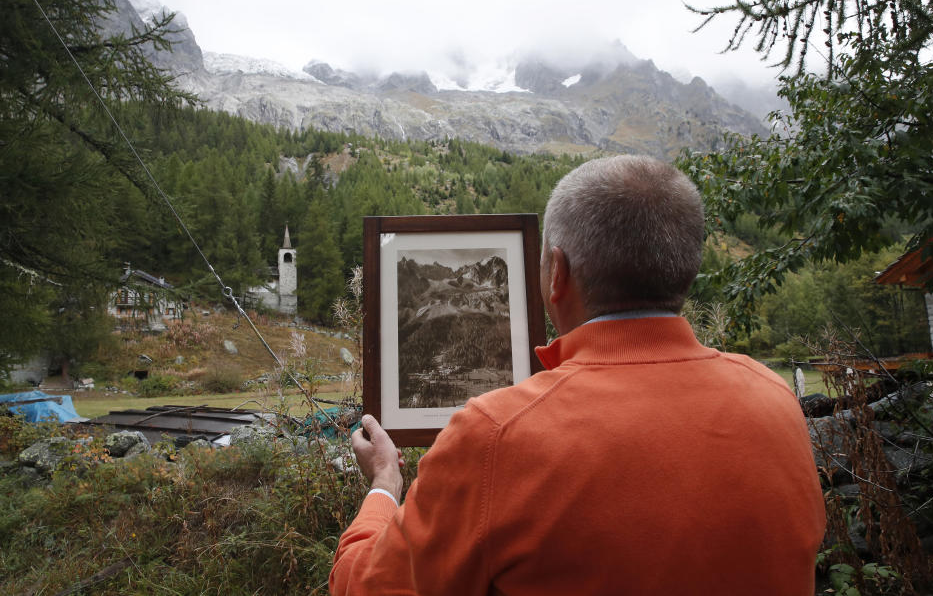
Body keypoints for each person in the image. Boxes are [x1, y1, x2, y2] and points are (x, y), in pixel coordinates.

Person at [329, 155, 826, 595]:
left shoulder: (497, 435)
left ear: (557, 274)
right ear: (685, 269)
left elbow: (363, 585)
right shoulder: (776, 398)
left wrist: (382, 485)